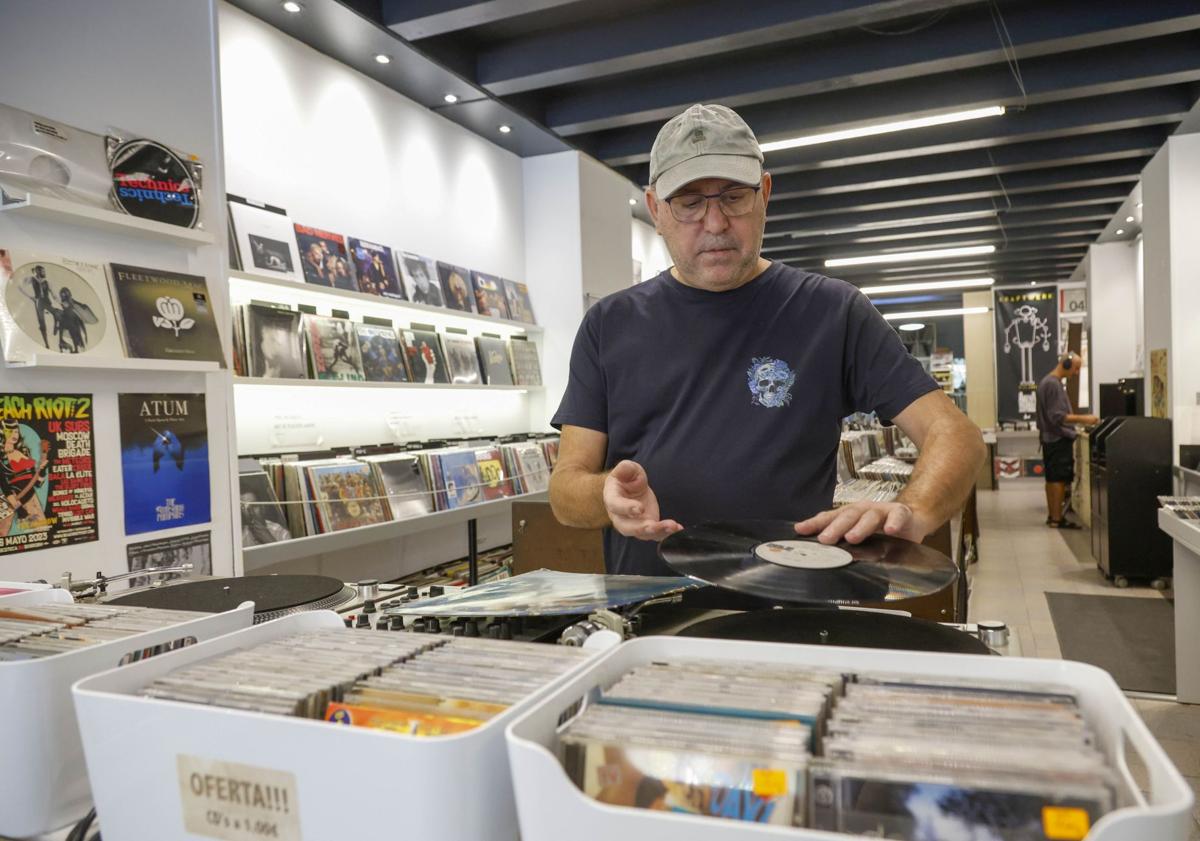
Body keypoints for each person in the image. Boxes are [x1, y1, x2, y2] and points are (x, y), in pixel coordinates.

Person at [548, 103, 986, 580]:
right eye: (689, 203)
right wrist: (606, 493)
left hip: (793, 611)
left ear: (765, 194)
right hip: (651, 613)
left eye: (733, 197)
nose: (714, 224)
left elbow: (956, 435)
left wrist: (911, 510)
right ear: (656, 209)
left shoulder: (832, 312)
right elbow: (565, 490)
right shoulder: (608, 324)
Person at [1035, 353, 1098, 528]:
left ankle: (1053, 516)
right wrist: (1085, 419)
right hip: (1057, 439)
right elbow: (1058, 417)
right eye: (1076, 368)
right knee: (1058, 479)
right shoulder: (1053, 385)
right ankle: (1057, 518)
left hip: (1049, 439)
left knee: (1052, 478)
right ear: (1066, 364)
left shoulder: (1048, 382)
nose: (1076, 373)